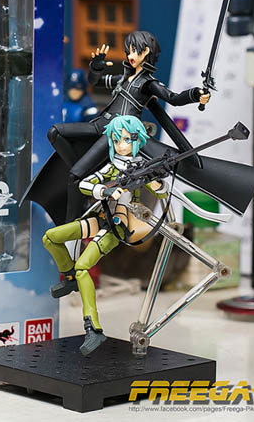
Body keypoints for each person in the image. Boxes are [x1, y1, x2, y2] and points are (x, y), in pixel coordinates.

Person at [37, 30, 209, 225]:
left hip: (116, 133)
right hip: (100, 124)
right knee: (55, 132)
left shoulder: (148, 84)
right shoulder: (123, 78)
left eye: (136, 51)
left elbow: (173, 98)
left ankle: (71, 224)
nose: (131, 56)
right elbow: (94, 82)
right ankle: (88, 176)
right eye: (129, 51)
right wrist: (96, 67)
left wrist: (196, 94)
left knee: (74, 175)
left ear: (147, 52)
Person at [41, 115, 169, 356]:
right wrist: (105, 190)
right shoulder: (112, 166)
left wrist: (155, 182)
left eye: (128, 140)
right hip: (99, 217)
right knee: (51, 237)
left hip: (117, 226)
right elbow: (84, 184)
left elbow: (161, 193)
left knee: (83, 267)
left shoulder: (142, 167)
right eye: (117, 140)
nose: (122, 145)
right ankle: (70, 278)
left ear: (138, 140)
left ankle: (93, 329)